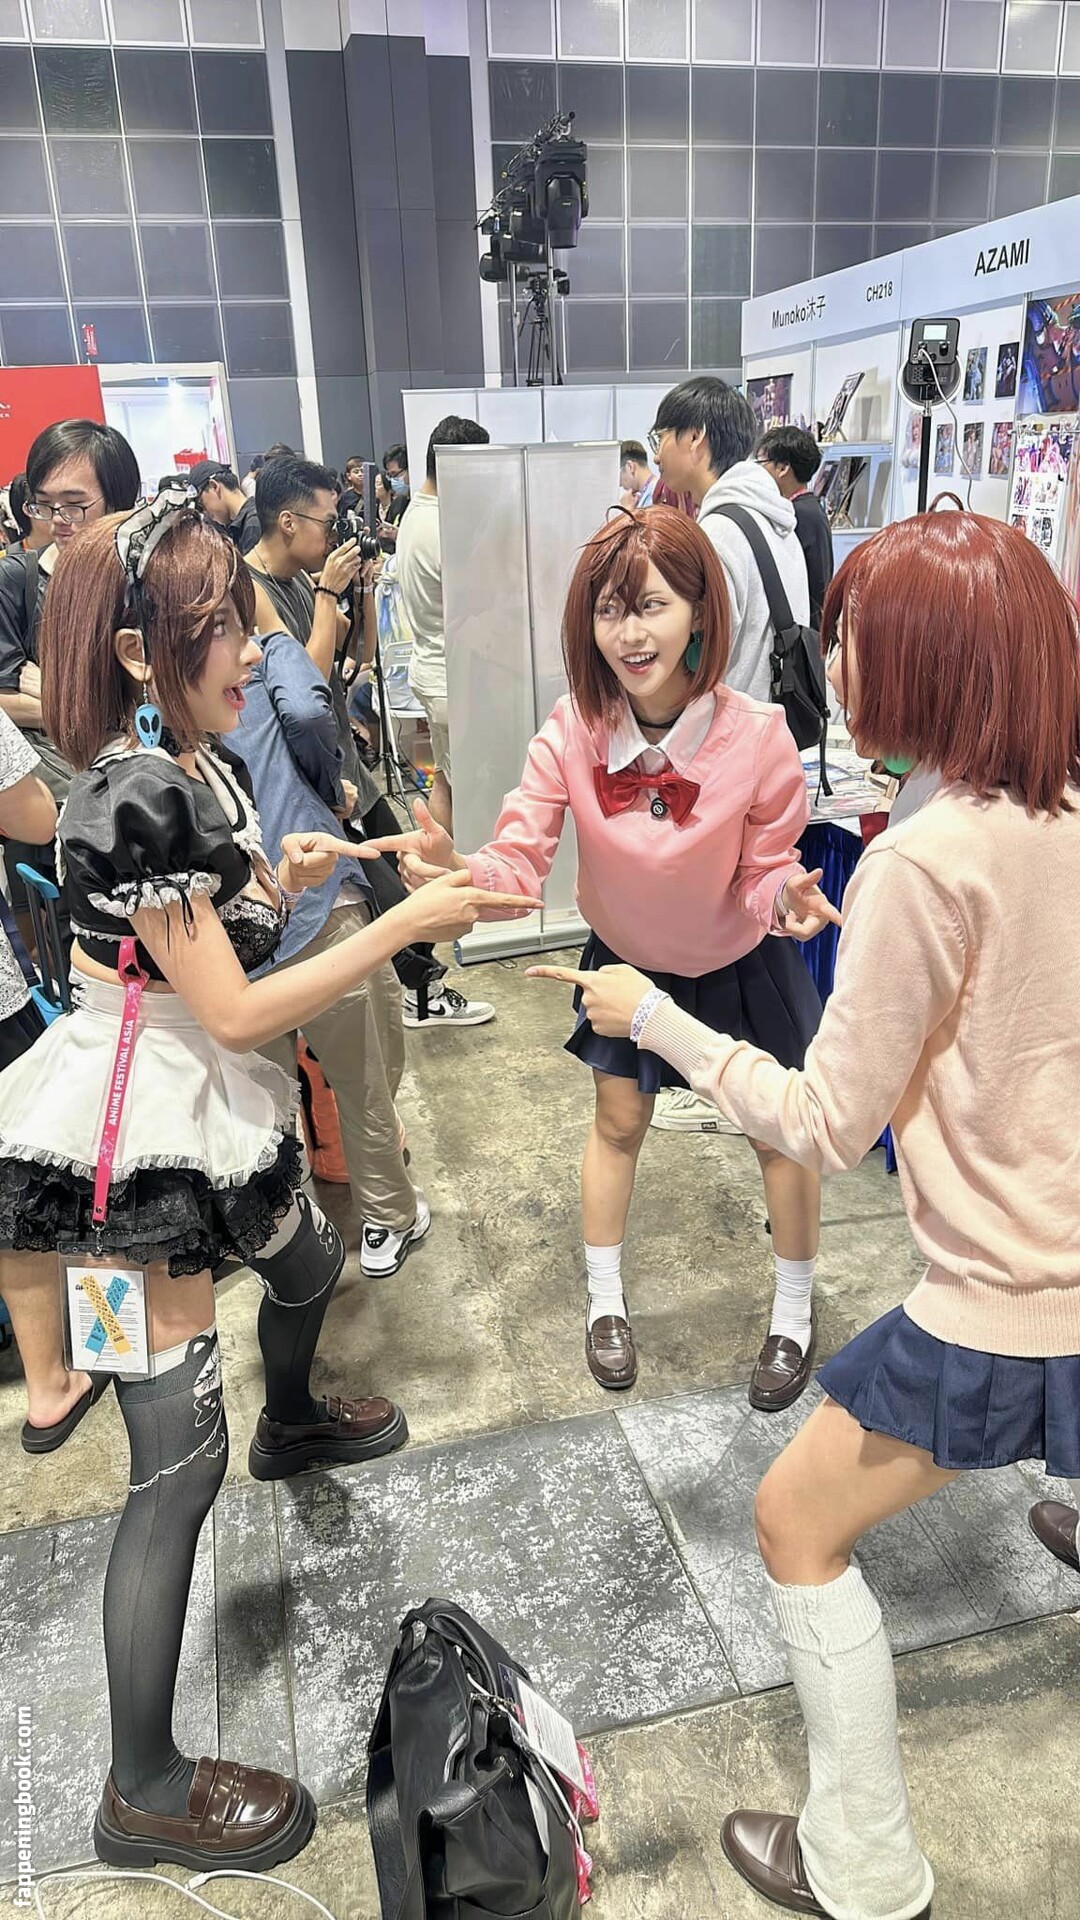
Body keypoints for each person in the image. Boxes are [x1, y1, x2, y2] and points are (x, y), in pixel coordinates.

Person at [542, 509, 1080, 1920]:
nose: (833, 665)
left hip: (1008, 1293)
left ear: (930, 663)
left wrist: (655, 1018)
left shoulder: (921, 858)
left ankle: (864, 1865)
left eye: (853, 640)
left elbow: (826, 1124)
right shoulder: (1055, 810)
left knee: (792, 1519)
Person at [0, 495, 527, 1872]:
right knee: (175, 1466)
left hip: (210, 1098)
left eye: (242, 617)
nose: (251, 647)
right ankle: (141, 1786)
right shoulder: (130, 793)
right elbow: (230, 1007)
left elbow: (209, 932)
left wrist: (298, 870)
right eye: (219, 626)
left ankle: (293, 1418)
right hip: (133, 1143)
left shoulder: (193, 762)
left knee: (309, 1264)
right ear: (135, 652)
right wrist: (404, 924)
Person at [375, 507, 836, 1400]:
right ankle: (605, 1301)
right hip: (626, 963)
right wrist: (462, 869)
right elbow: (519, 859)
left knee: (778, 1139)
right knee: (620, 1125)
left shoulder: (759, 736)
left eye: (653, 606)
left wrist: (785, 897)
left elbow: (763, 871)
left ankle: (792, 1313)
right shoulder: (574, 729)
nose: (630, 633)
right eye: (610, 610)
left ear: (700, 612)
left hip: (741, 959)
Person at [230, 597, 435, 1277]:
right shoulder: (265, 651)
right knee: (364, 1075)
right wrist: (329, 787)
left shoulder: (152, 714)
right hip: (315, 901)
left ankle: (289, 1238)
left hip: (231, 935)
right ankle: (387, 1217)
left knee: (265, 1102)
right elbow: (311, 713)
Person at [0, 419, 141, 929]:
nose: (58, 520)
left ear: (120, 500)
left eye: (75, 505)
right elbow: (4, 701)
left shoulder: (146, 580)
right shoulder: (17, 581)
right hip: (55, 820)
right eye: (43, 505)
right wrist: (103, 703)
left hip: (143, 804)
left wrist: (53, 692)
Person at [649, 376, 810, 700]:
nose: (655, 457)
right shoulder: (771, 514)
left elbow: (701, 657)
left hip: (732, 721)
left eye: (660, 438)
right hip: (771, 715)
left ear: (695, 437)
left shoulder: (719, 532)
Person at [398, 415, 490, 839]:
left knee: (446, 779)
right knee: (473, 791)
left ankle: (439, 866)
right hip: (453, 679)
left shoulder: (414, 515)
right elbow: (478, 606)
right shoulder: (445, 527)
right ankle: (456, 867)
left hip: (431, 670)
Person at [756, 425, 835, 629]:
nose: (757, 471)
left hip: (804, 629)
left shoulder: (799, 514)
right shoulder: (805, 509)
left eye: (761, 463)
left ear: (783, 468)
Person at [189, 459, 261, 556]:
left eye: (201, 504)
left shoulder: (253, 525)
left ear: (214, 486)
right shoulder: (239, 526)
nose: (204, 512)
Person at [619, 439, 657, 509]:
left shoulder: (655, 496)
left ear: (630, 467)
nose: (620, 484)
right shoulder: (649, 492)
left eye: (619, 476)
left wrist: (627, 510)